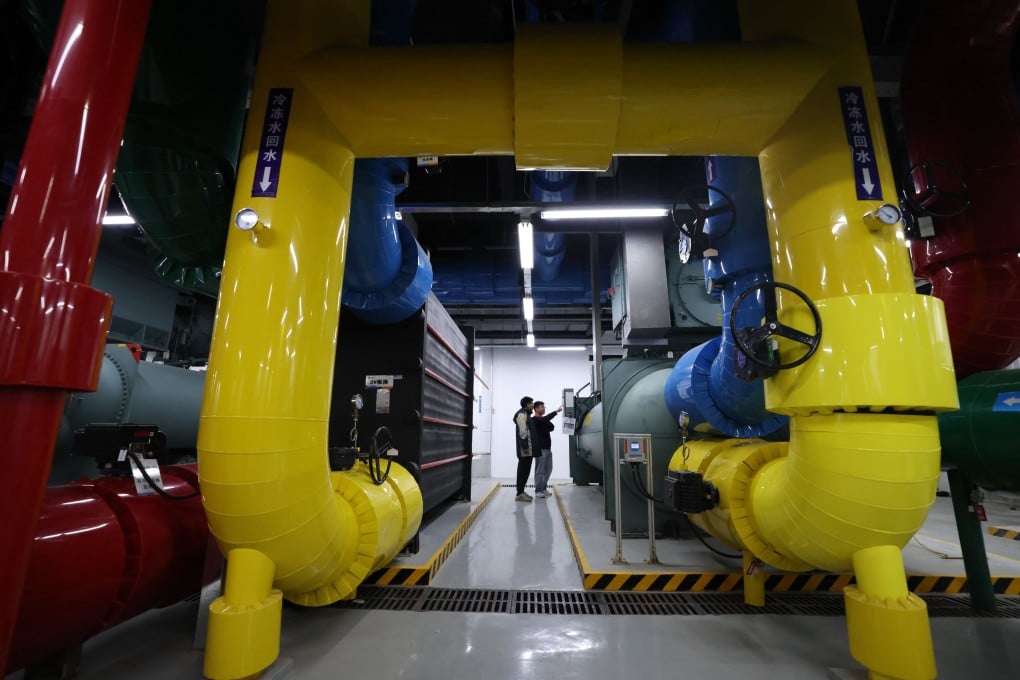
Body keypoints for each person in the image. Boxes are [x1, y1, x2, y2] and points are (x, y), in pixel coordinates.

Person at [530, 400, 562, 498]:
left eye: (544, 407)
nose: (544, 408)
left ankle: (543, 488)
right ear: (536, 408)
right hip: (540, 449)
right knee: (540, 470)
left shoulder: (542, 420)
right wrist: (555, 412)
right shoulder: (534, 420)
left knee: (548, 469)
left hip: (548, 449)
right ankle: (538, 490)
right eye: (542, 407)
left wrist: (544, 420)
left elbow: (552, 427)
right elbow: (543, 422)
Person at [513, 396, 537, 502]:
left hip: (528, 449)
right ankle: (519, 494)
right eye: (532, 403)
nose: (533, 405)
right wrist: (525, 447)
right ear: (527, 404)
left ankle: (521, 491)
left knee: (525, 471)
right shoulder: (522, 414)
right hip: (525, 449)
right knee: (523, 471)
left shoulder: (526, 414)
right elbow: (522, 432)